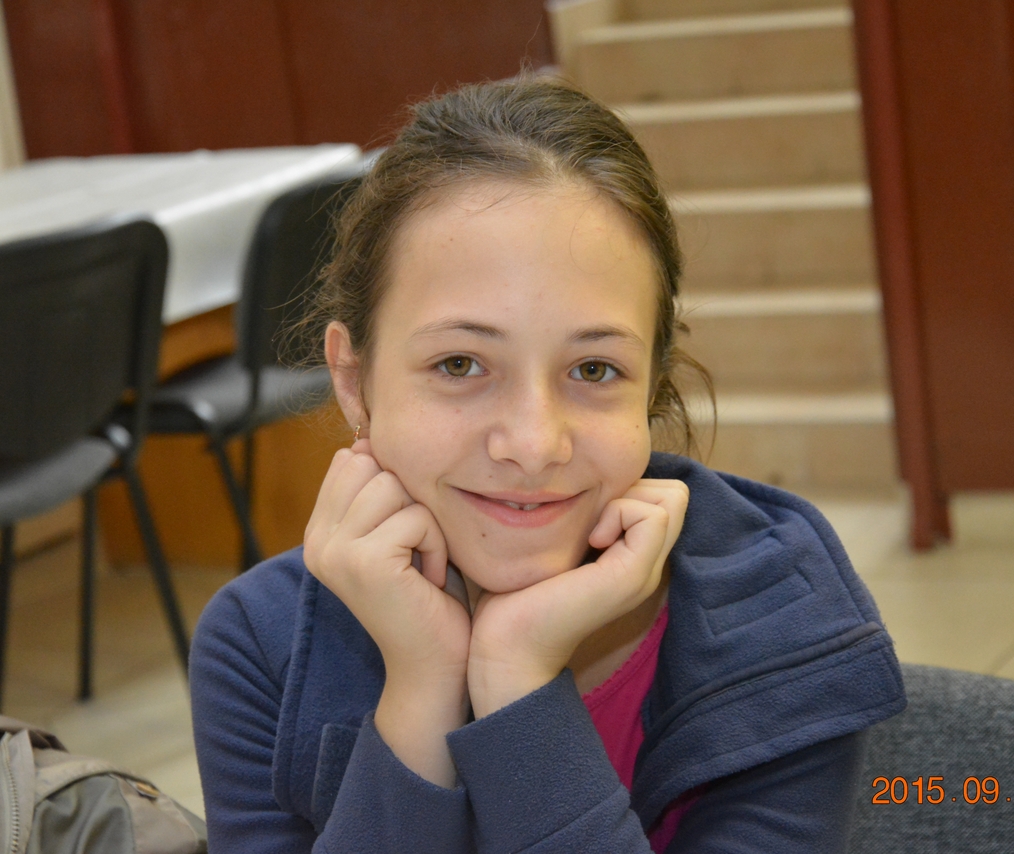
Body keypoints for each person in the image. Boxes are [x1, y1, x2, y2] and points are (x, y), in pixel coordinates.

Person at [189, 77, 906, 853]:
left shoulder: (782, 618)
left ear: (652, 386)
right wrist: (422, 692)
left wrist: (518, 682)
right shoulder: (260, 647)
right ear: (355, 381)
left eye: (594, 370)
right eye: (460, 364)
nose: (534, 444)